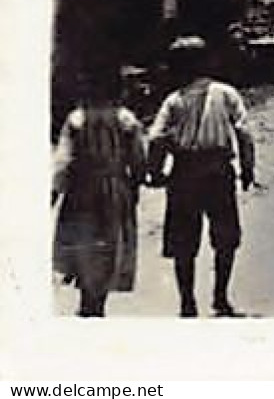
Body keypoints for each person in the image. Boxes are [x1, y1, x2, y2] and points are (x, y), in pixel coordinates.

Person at [147, 35, 256, 318]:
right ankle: (220, 298)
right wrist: (247, 168)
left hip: (184, 173)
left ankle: (188, 302)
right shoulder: (226, 94)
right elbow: (244, 132)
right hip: (219, 172)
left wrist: (156, 171)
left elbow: (156, 138)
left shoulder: (173, 101)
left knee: (184, 242)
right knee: (225, 237)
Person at [51, 66, 145, 317]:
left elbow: (64, 159)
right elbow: (138, 157)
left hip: (82, 190)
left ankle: (87, 298)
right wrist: (136, 183)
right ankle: (96, 301)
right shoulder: (126, 119)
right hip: (114, 189)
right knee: (108, 244)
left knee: (85, 242)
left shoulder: (77, 119)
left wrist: (55, 190)